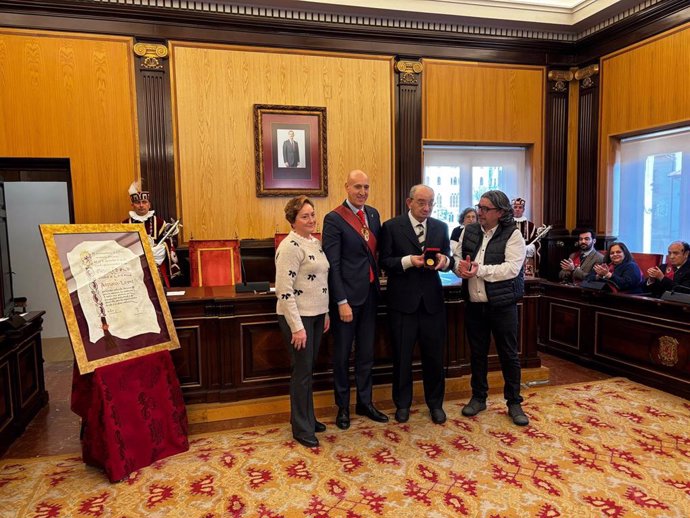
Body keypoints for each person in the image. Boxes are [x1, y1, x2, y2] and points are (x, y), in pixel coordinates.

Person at [379, 184, 454, 425]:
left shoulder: (441, 228)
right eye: (422, 202)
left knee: (434, 358)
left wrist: (444, 262)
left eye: (431, 203)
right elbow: (385, 262)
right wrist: (410, 261)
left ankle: (435, 404)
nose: (427, 207)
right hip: (403, 304)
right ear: (409, 202)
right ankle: (402, 405)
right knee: (402, 358)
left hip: (432, 304)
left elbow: (449, 260)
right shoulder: (391, 227)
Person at [454, 190, 528, 426]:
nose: (480, 212)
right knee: (477, 354)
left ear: (501, 212)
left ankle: (514, 402)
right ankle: (478, 397)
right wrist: (460, 268)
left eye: (485, 209)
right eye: (479, 207)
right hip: (474, 304)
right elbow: (457, 257)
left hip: (502, 306)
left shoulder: (513, 235)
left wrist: (479, 270)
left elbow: (510, 269)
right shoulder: (470, 230)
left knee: (508, 354)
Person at [322, 170, 388, 430]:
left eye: (366, 187)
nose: (362, 192)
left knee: (366, 354)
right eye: (357, 187)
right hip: (347, 300)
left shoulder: (373, 214)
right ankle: (342, 408)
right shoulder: (334, 219)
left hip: (371, 295)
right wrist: (341, 301)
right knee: (341, 356)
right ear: (347, 187)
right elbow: (333, 265)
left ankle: (365, 401)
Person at [275, 196, 330, 448]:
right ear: (293, 220)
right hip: (298, 319)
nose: (311, 219)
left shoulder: (314, 243)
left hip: (317, 316)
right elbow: (283, 291)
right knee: (301, 373)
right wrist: (297, 327)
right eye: (305, 216)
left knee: (308, 370)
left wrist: (326, 312)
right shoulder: (290, 247)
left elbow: (321, 283)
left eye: (312, 214)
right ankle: (301, 427)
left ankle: (308, 417)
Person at [123, 182, 180, 287]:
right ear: (132, 205)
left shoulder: (159, 223)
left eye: (144, 202)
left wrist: (161, 250)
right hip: (133, 268)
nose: (141, 205)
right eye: (137, 202)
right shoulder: (125, 225)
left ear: (149, 204)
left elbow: (169, 242)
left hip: (155, 266)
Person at [512, 197, 541, 274]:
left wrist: (531, 247)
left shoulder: (531, 225)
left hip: (526, 258)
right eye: (515, 207)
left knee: (527, 279)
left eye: (520, 207)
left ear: (523, 210)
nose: (517, 209)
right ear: (512, 209)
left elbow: (537, 242)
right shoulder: (507, 224)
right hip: (511, 256)